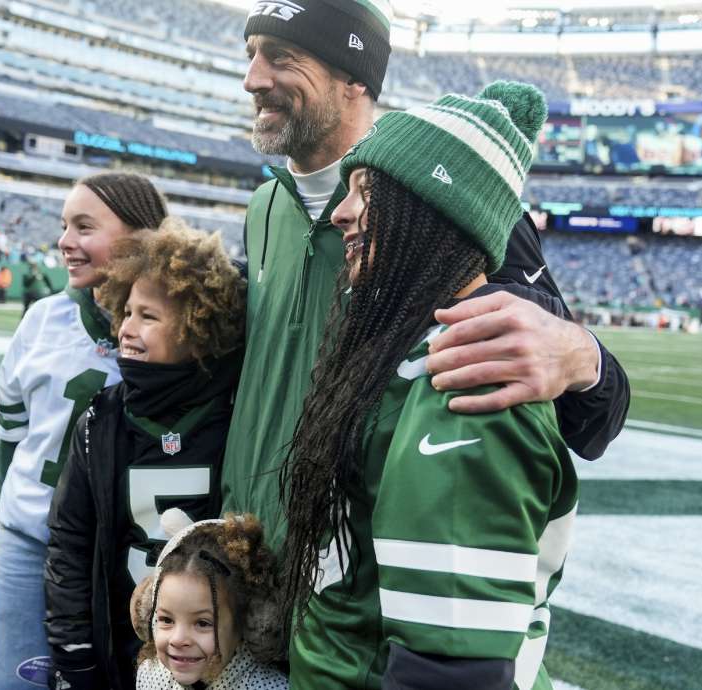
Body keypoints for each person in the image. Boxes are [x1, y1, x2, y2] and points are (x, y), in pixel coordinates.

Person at [224, 0, 629, 550]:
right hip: (240, 551)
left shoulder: (450, 213)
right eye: (251, 55)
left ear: (353, 78)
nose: (252, 79)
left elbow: (592, 417)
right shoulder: (264, 206)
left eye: (281, 57)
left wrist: (584, 358)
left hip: (347, 588)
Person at [278, 85, 577, 690]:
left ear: (430, 209)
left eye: (368, 193)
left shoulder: (468, 383)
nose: (341, 212)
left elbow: (448, 668)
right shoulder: (410, 348)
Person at [0, 173, 169, 690]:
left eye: (85, 226)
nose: (66, 240)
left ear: (141, 236)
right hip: (32, 535)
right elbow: (11, 421)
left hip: (120, 549)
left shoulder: (173, 328)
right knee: (14, 681)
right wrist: (3, 491)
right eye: (65, 225)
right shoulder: (43, 319)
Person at [44, 221, 245, 690]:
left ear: (200, 327)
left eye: (148, 317)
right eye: (126, 312)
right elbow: (70, 542)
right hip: (120, 649)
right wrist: (73, 649)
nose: (127, 329)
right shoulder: (103, 418)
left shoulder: (233, 412)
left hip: (212, 658)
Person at [129, 512, 287, 690]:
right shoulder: (150, 676)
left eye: (203, 623)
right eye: (166, 620)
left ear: (248, 623)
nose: (178, 639)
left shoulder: (272, 687)